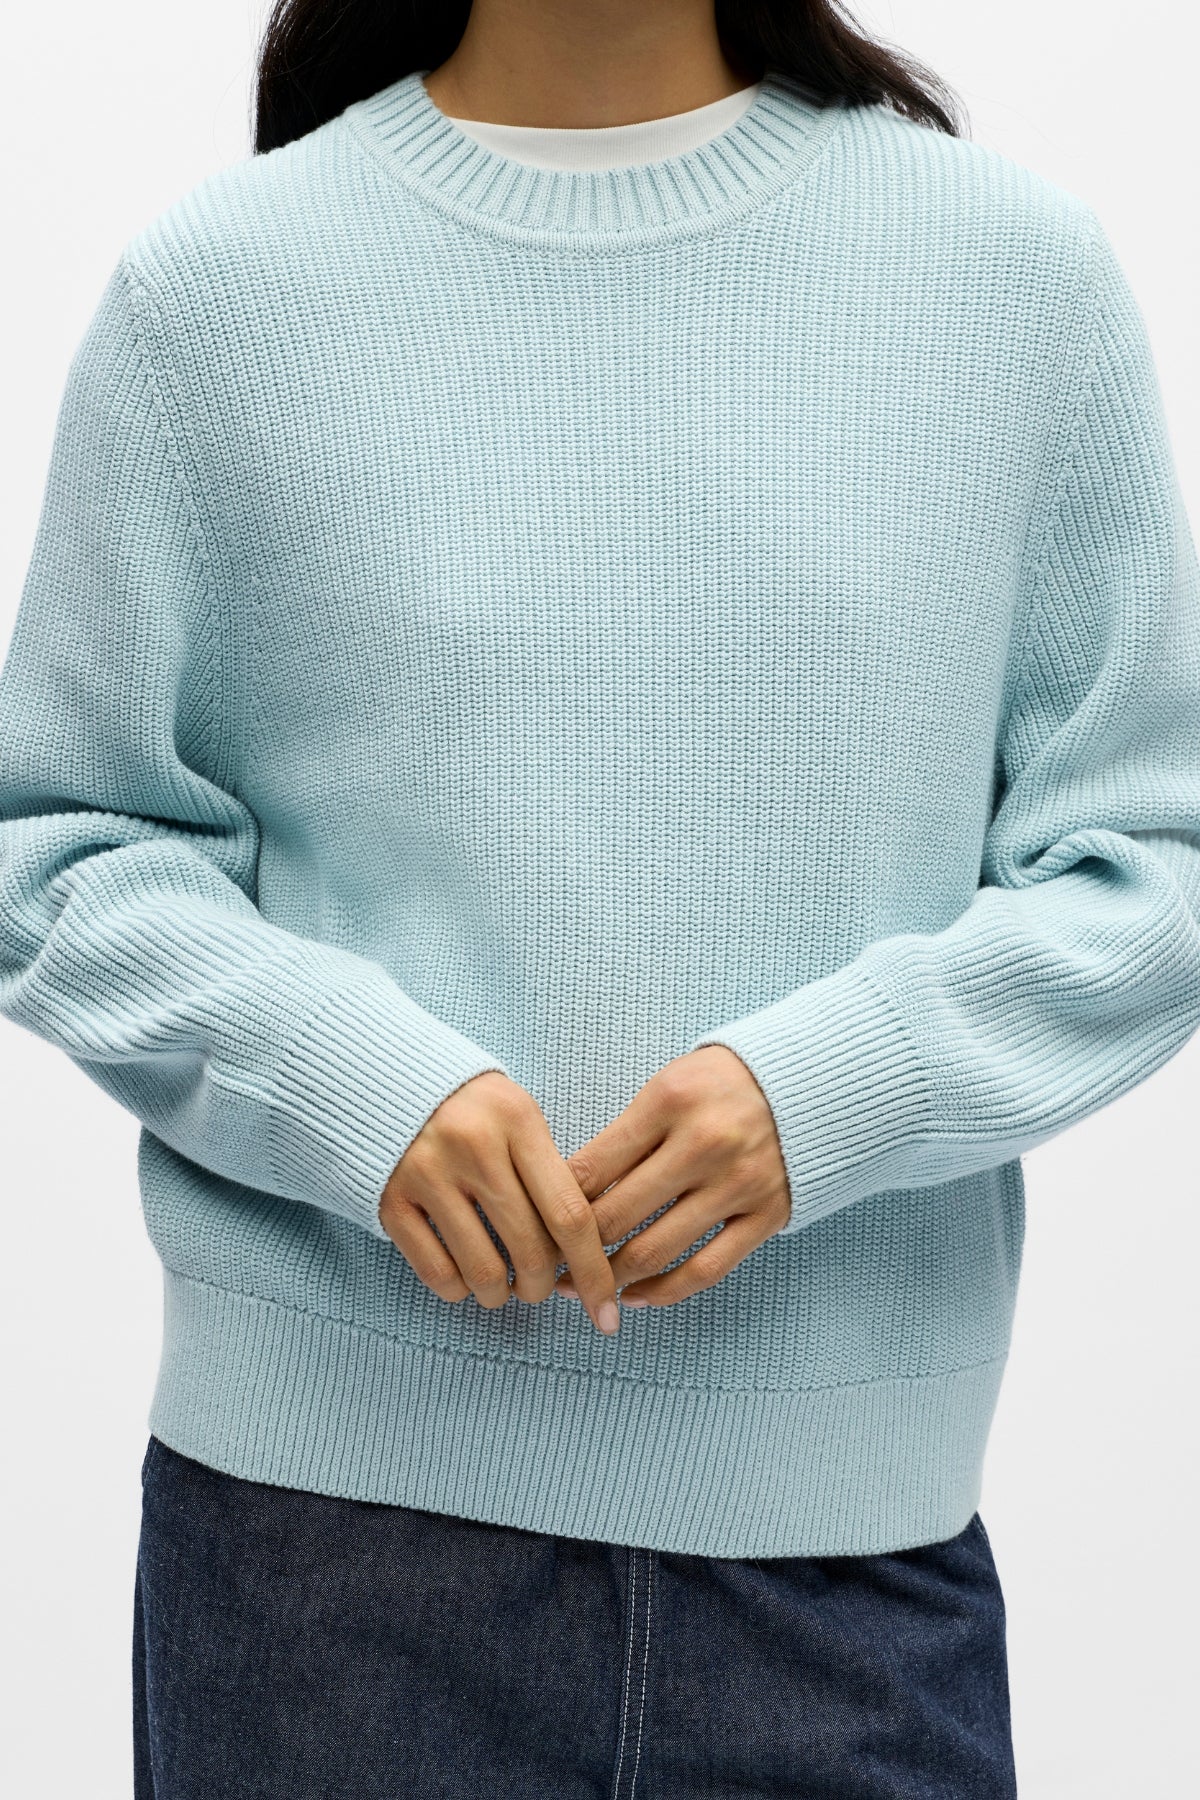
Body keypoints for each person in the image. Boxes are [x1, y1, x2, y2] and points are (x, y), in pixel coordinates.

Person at [3, 1, 1198, 1794]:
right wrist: (348, 1082)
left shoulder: (1008, 282)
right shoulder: (225, 294)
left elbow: (1154, 859)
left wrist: (833, 1091)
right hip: (324, 1574)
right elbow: (57, 836)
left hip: (847, 1577)